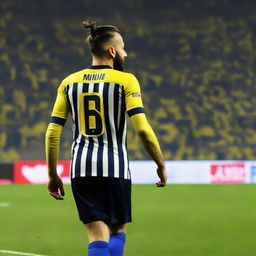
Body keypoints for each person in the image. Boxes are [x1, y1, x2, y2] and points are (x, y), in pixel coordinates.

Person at [45, 20, 167, 256]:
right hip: (115, 169)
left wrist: (52, 175)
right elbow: (142, 129)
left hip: (81, 169)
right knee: (117, 231)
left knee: (96, 236)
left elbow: (52, 132)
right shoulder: (126, 80)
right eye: (122, 48)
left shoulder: (68, 83)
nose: (125, 53)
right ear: (111, 51)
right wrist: (160, 163)